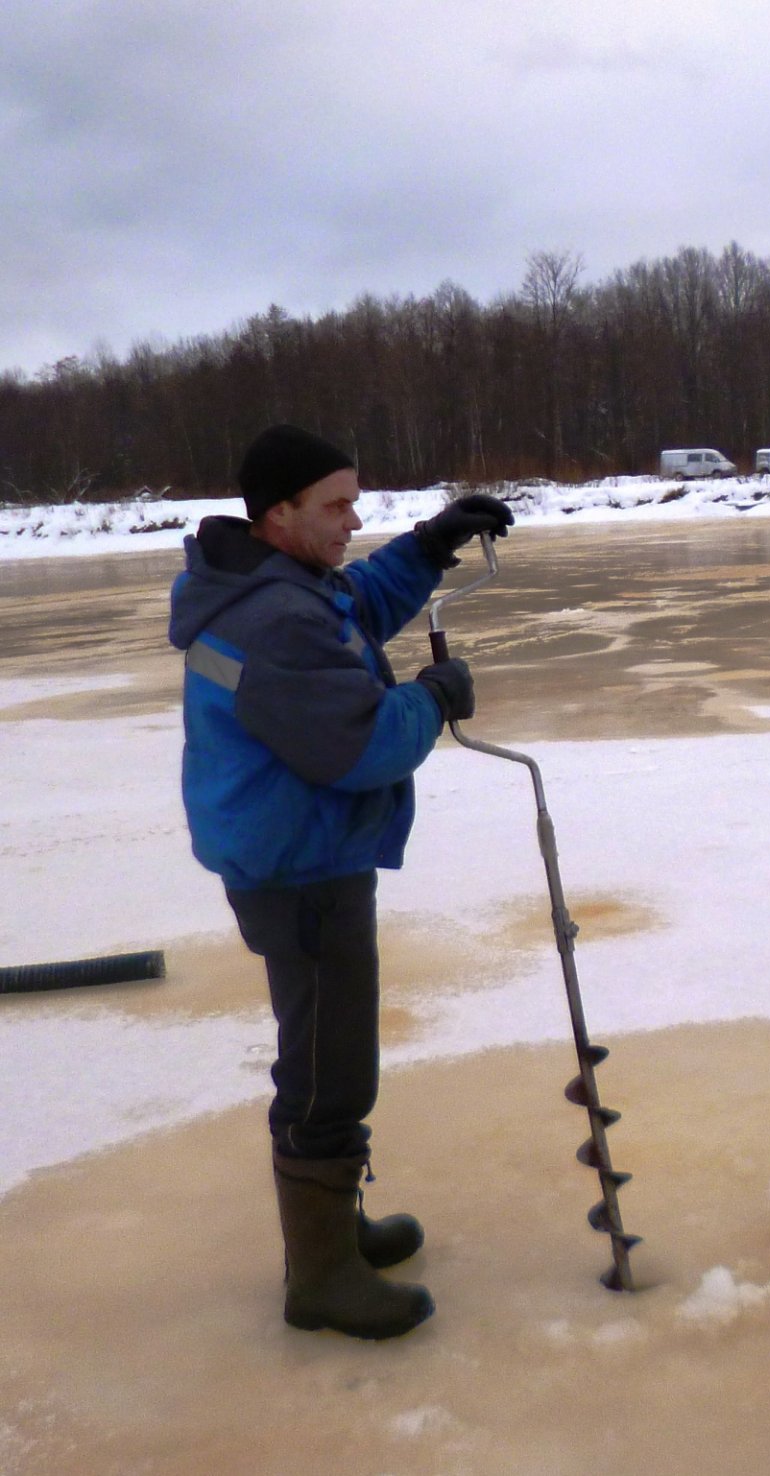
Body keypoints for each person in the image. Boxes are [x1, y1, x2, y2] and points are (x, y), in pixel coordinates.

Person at [168, 424, 513, 1340]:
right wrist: (432, 700)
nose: (353, 520)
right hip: (301, 870)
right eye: (336, 505)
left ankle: (336, 1230)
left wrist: (430, 545)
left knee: (326, 1053)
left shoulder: (273, 582)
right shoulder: (273, 619)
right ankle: (320, 1276)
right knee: (330, 1070)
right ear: (278, 513)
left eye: (356, 501)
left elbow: (354, 603)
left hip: (294, 854)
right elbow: (356, 745)